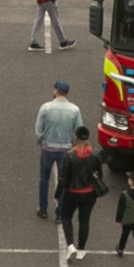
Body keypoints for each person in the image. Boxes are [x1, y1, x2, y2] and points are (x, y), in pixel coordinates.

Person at [54, 127, 106, 259]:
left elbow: (64, 179)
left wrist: (57, 195)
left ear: (76, 138)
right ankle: (82, 250)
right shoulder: (95, 155)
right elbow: (100, 174)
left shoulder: (69, 156)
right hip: (89, 194)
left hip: (72, 193)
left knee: (66, 217)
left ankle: (70, 245)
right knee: (84, 221)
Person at [34, 80, 83, 219]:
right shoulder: (74, 109)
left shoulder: (46, 107)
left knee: (44, 179)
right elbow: (79, 130)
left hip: (48, 148)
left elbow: (38, 130)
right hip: (65, 150)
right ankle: (60, 213)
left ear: (56, 91)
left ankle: (43, 209)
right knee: (64, 180)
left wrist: (42, 141)